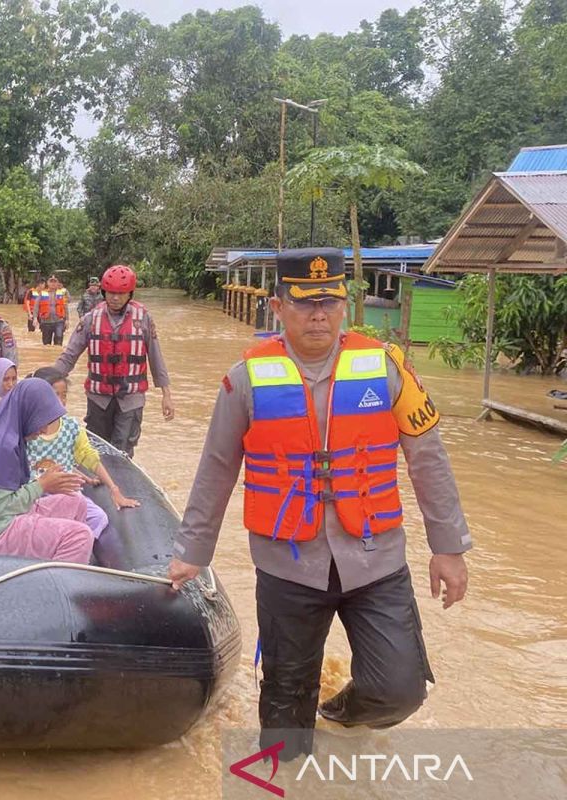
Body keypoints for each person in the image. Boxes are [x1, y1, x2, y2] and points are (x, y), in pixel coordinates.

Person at [166, 247, 472, 762]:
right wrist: (191, 552)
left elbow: (428, 458)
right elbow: (217, 467)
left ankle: (340, 711)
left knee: (400, 689)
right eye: (305, 303)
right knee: (284, 722)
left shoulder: (386, 368)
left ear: (344, 305)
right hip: (287, 565)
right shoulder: (244, 379)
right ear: (278, 307)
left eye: (329, 302)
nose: (318, 315)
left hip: (375, 560)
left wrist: (449, 547)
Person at [0, 380, 94, 564]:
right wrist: (41, 485)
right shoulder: (2, 446)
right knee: (80, 536)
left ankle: (60, 559)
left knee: (76, 501)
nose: (43, 429)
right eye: (40, 420)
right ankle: (56, 579)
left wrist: (43, 484)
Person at [53, 264, 174, 457]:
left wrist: (166, 395)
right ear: (104, 292)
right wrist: (46, 381)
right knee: (96, 452)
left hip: (131, 399)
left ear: (130, 294)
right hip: (98, 399)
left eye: (121, 294)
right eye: (111, 293)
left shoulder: (143, 318)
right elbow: (69, 356)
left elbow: (155, 357)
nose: (115, 298)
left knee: (122, 451)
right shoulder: (91, 319)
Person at [27, 367, 139, 537]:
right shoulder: (28, 428)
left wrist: (114, 489)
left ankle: (77, 545)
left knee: (99, 518)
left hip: (66, 490)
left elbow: (89, 456)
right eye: (55, 395)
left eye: (64, 395)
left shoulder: (71, 427)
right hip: (37, 491)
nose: (61, 401)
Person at [36, 274, 70, 346]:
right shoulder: (42, 293)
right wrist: (35, 318)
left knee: (58, 342)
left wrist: (67, 320)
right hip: (46, 322)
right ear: (48, 283)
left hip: (59, 321)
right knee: (46, 344)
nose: (53, 283)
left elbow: (65, 307)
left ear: (58, 283)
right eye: (51, 281)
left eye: (55, 281)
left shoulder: (62, 293)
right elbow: (36, 306)